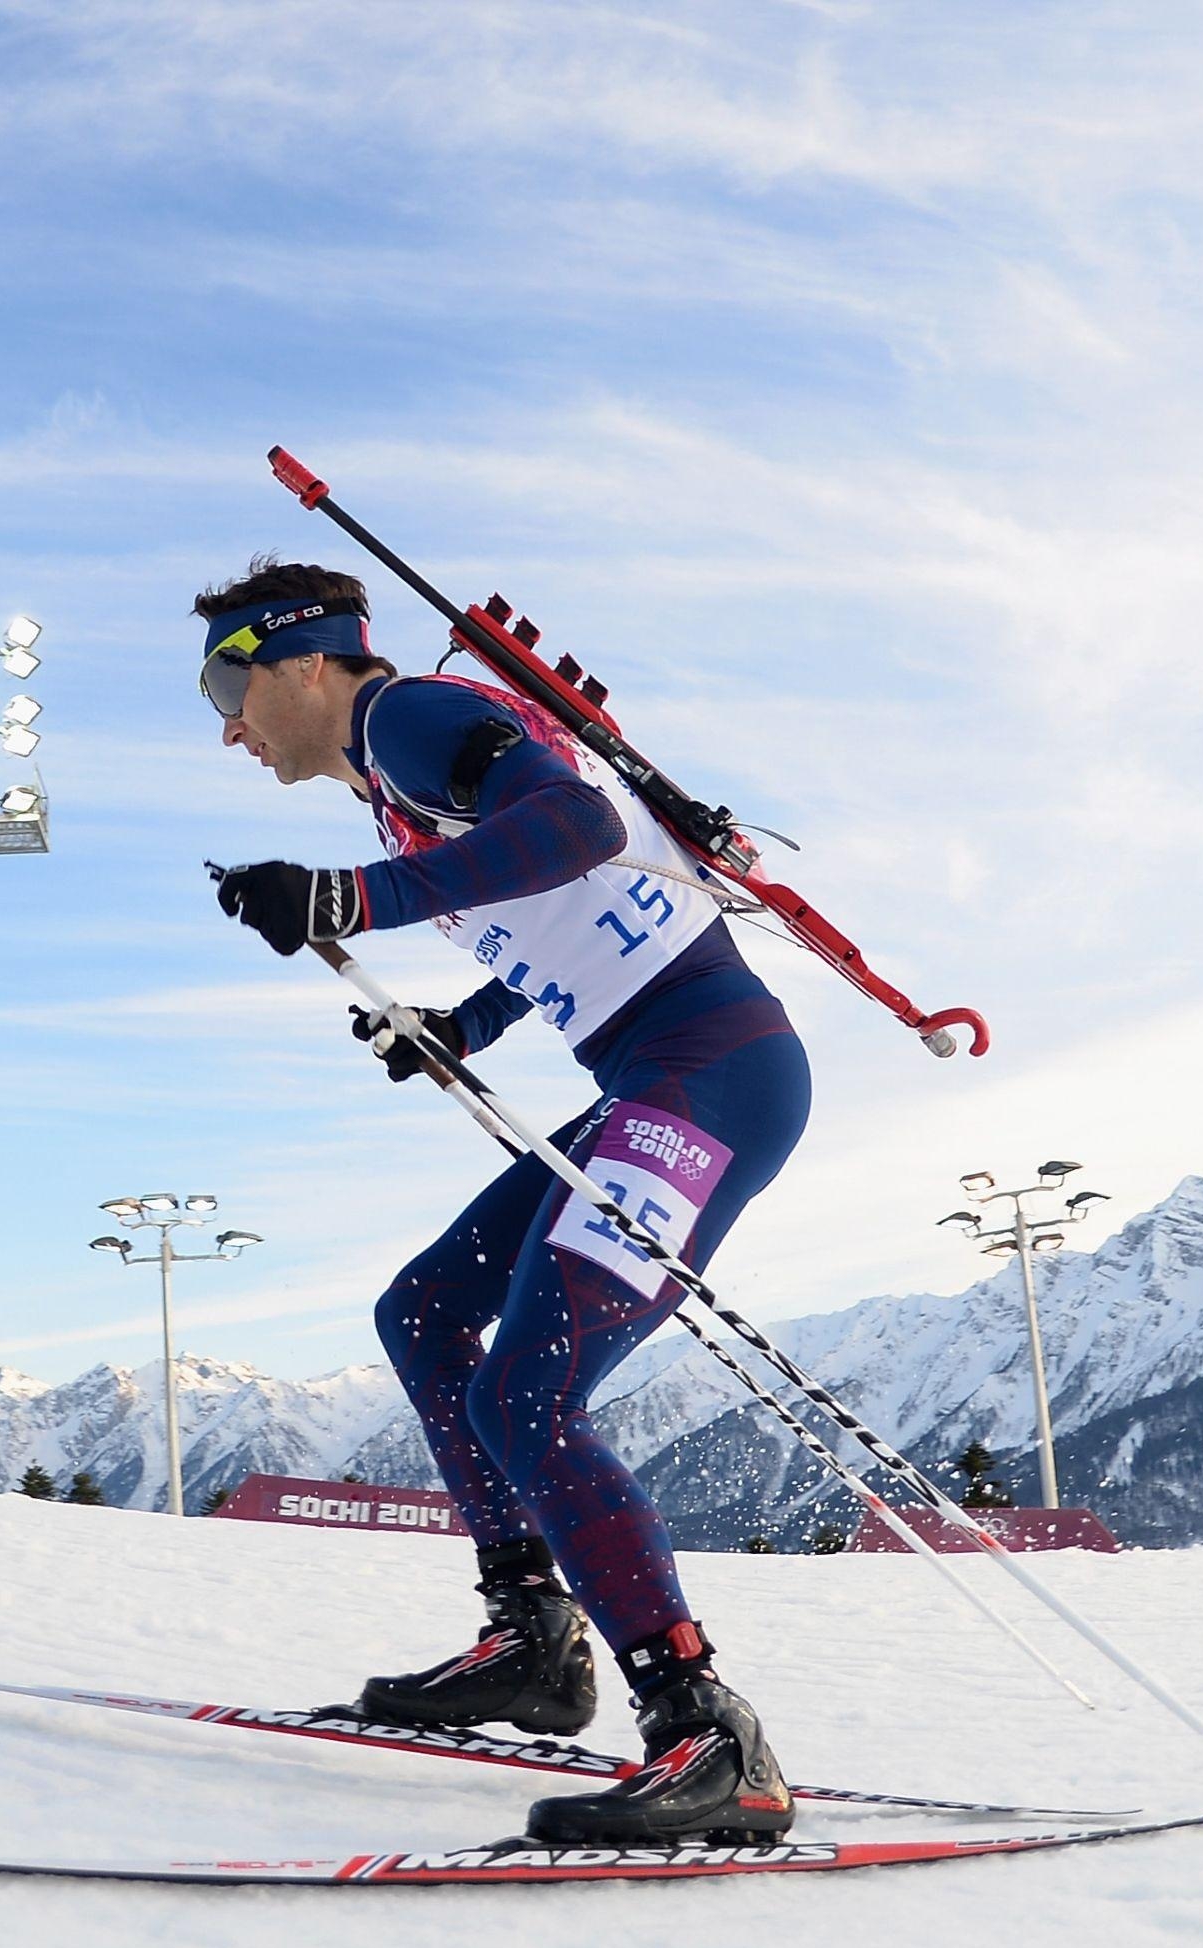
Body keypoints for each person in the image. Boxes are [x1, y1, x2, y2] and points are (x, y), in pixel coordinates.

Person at [202, 555, 811, 1847]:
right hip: (653, 1070)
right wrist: (463, 1023)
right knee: (422, 1313)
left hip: (714, 1075)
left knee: (524, 1392)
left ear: (305, 660)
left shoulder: (406, 719)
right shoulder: (391, 774)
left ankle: (709, 1733)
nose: (225, 725)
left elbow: (579, 829)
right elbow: (569, 916)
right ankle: (534, 1637)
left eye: (229, 682)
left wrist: (345, 902)